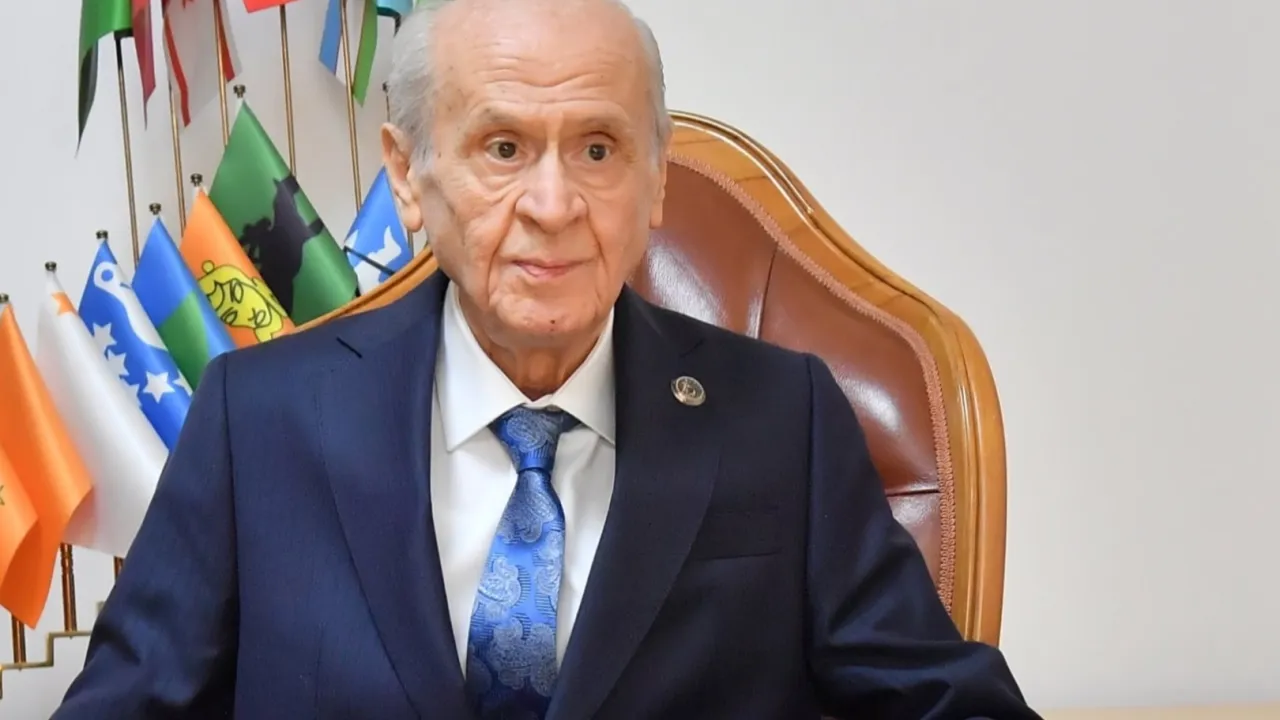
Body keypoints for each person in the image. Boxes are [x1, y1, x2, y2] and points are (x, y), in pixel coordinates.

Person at [53, 0, 1041, 717]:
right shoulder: (257, 421)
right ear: (408, 176)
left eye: (599, 150)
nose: (555, 205)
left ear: (655, 180)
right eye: (502, 148)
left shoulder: (783, 420)